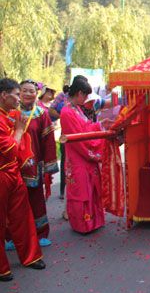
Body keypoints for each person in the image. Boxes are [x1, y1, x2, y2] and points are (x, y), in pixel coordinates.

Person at [0, 78, 46, 282]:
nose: (20, 98)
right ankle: (2, 267)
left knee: (23, 215)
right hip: (2, 173)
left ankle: (30, 256)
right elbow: (9, 149)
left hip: (14, 172)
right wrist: (18, 131)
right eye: (17, 94)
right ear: (4, 95)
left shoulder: (11, 115)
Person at [5, 80, 58, 249]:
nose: (28, 94)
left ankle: (41, 233)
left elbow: (48, 141)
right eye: (24, 91)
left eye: (32, 91)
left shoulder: (42, 114)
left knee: (36, 200)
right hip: (13, 164)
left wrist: (49, 165)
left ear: (37, 94)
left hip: (34, 165)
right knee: (13, 202)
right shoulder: (11, 113)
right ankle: (11, 236)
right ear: (19, 93)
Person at [60, 78, 110, 234]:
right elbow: (78, 137)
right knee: (82, 192)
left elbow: (86, 126)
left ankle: (94, 222)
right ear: (79, 93)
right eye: (85, 95)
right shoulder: (67, 112)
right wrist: (93, 153)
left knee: (92, 189)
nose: (86, 99)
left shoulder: (76, 109)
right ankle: (83, 225)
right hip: (78, 157)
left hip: (85, 156)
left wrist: (101, 124)